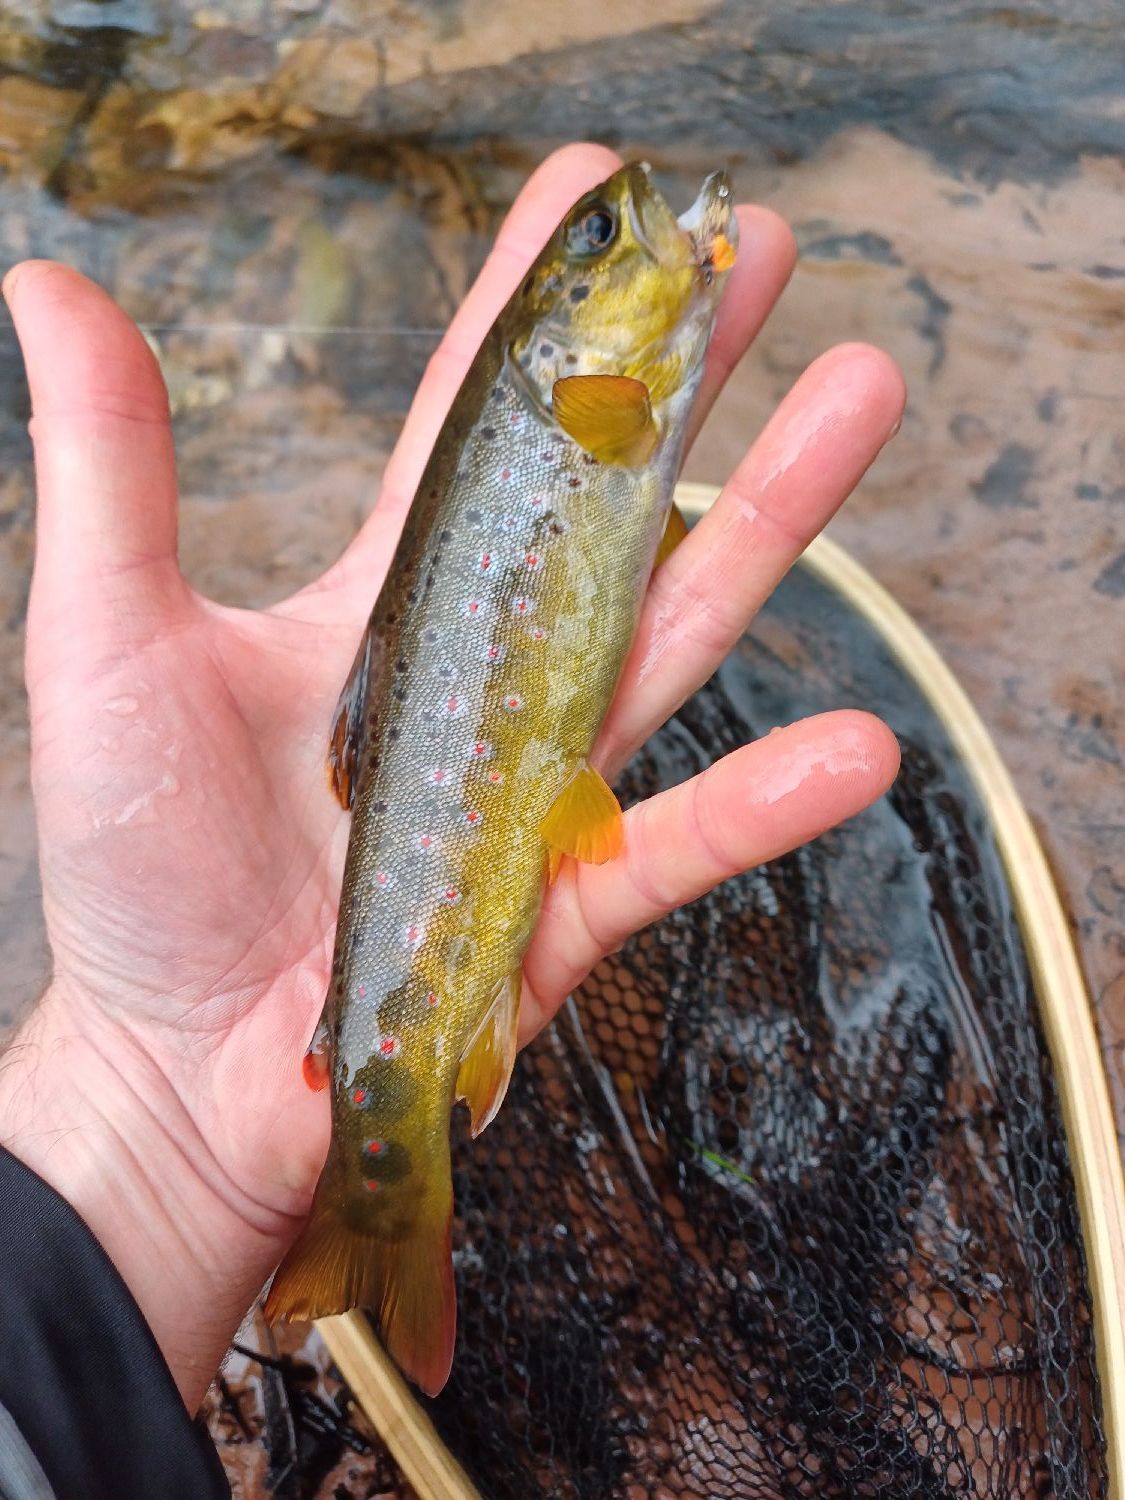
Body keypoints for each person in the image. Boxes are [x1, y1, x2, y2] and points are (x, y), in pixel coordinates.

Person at [0, 143, 903, 1497]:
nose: (634, 236)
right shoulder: (594, 404)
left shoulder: (606, 400)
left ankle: (368, 1198)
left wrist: (147, 1174)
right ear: (560, 348)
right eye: (602, 252)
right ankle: (385, 1186)